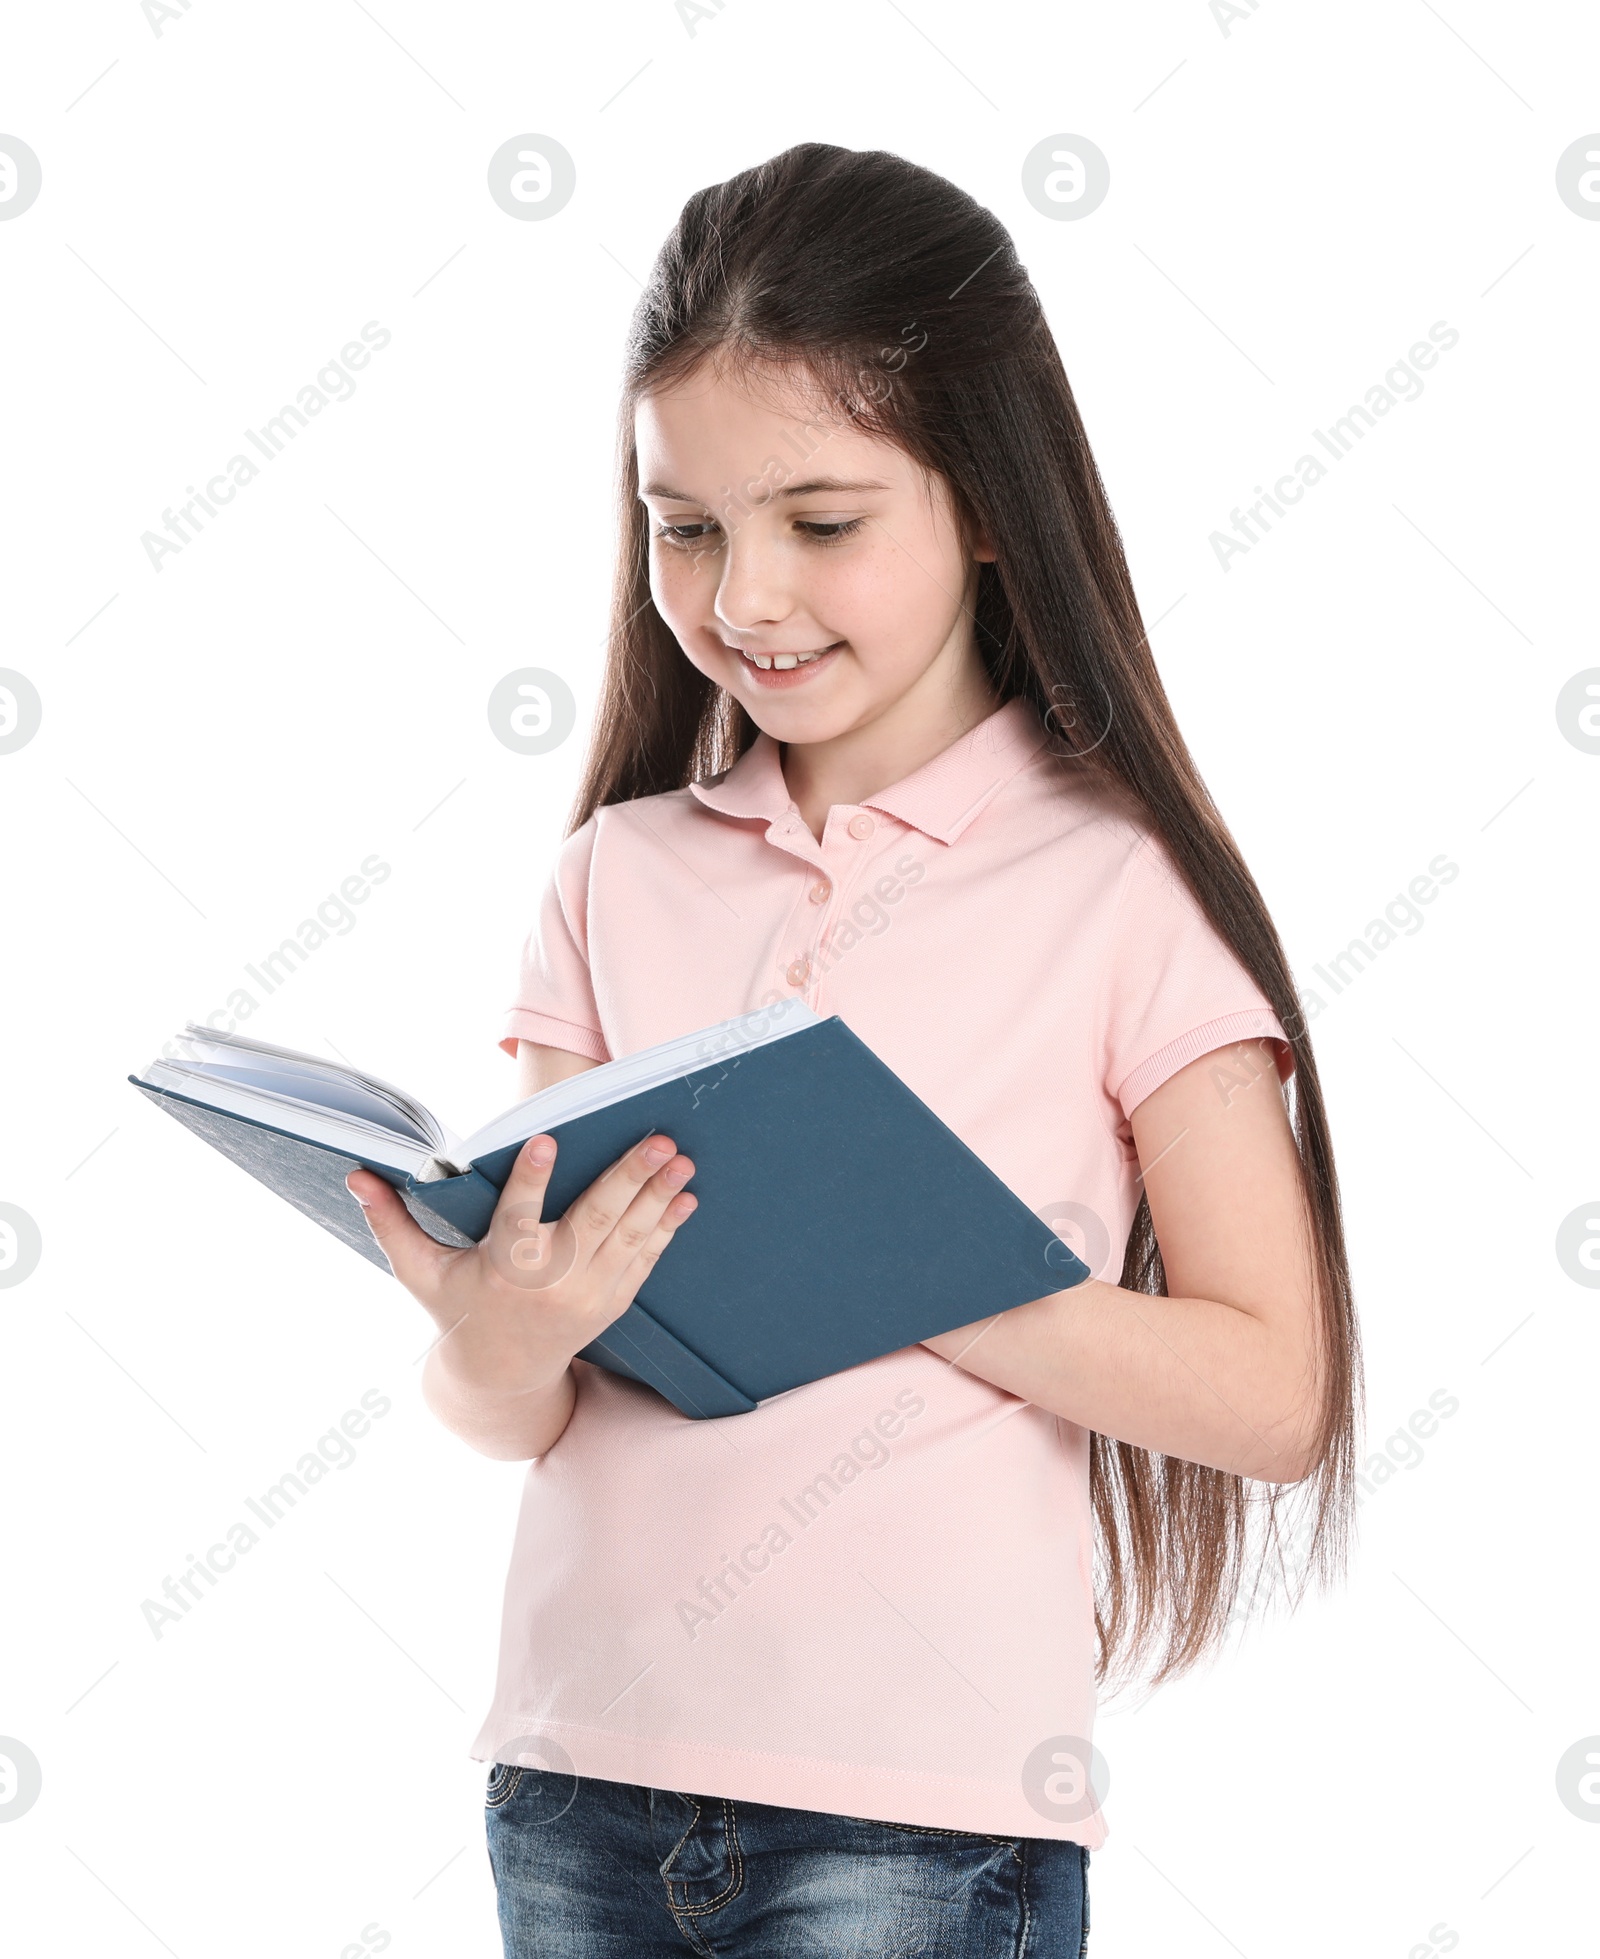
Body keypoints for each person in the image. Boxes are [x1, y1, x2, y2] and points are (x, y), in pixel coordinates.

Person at [347, 142, 1360, 1958]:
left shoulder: (1115, 886)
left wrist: (883, 1258)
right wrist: (489, 1346)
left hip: (917, 1825)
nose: (743, 600)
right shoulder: (614, 876)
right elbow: (522, 1407)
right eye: (687, 525)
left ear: (985, 502)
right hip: (572, 1788)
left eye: (822, 523)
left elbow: (1275, 1395)